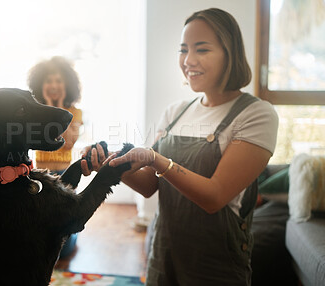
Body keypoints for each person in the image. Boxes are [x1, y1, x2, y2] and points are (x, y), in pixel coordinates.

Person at [80, 8, 279, 286]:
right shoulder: (176, 112)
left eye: (202, 49)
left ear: (229, 53)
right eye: (183, 49)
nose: (188, 60)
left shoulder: (257, 115)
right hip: (164, 254)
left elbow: (215, 196)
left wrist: (156, 159)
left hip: (216, 264)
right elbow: (150, 185)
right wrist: (111, 166)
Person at [28, 56, 83, 258]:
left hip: (65, 173)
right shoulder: (35, 112)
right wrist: (49, 107)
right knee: (40, 218)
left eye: (59, 81)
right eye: (49, 81)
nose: (53, 85)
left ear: (67, 84)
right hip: (39, 173)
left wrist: (56, 107)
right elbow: (38, 139)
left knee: (62, 230)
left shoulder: (75, 112)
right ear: (40, 84)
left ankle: (73, 238)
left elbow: (67, 141)